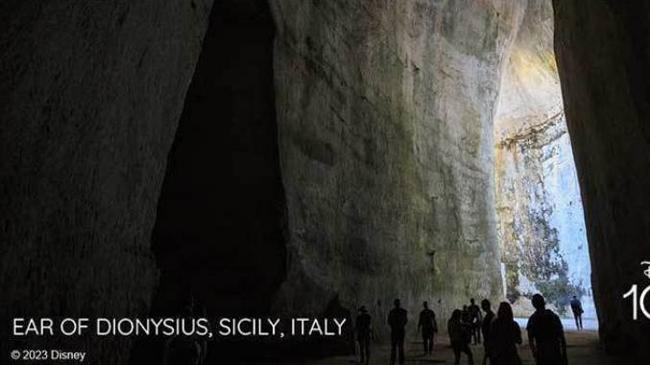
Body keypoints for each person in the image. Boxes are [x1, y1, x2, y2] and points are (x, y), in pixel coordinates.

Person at [526, 294, 568, 365]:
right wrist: (564, 354)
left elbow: (531, 340)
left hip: (542, 353)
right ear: (544, 302)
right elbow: (562, 337)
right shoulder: (554, 317)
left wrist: (534, 354)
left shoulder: (532, 319)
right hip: (555, 351)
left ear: (533, 305)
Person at [388, 299, 408, 365]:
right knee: (400, 347)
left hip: (395, 331)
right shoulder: (404, 311)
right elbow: (405, 321)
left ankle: (393, 361)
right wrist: (400, 325)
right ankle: (401, 361)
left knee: (394, 347)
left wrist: (394, 326)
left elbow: (389, 321)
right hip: (400, 331)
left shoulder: (392, 312)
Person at [480, 299, 496, 365]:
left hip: (489, 340)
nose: (482, 307)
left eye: (483, 305)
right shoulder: (490, 315)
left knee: (491, 358)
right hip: (488, 340)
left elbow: (491, 330)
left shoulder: (490, 316)